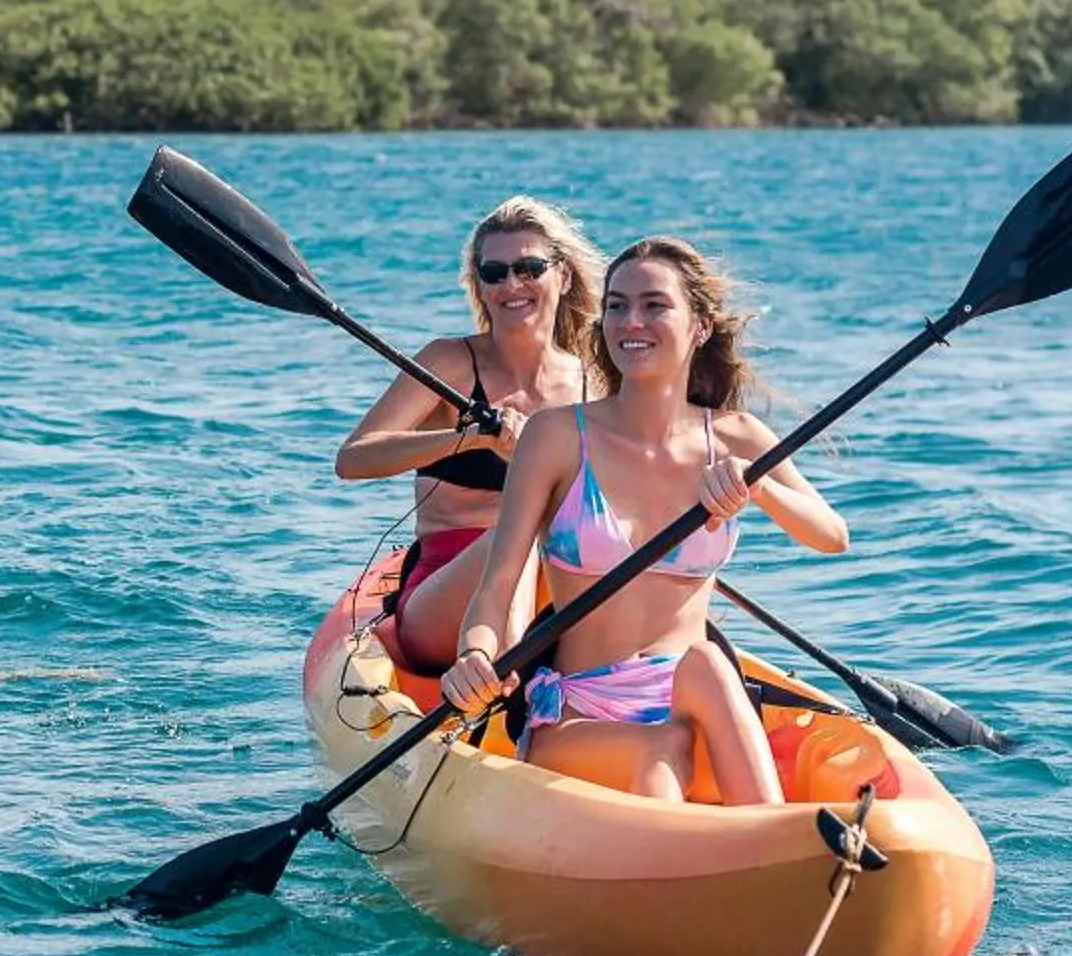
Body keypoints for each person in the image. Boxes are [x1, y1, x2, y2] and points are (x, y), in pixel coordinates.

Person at [438, 237, 848, 805]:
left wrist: (758, 485)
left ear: (699, 326)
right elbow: (498, 585)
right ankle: (736, 856)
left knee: (704, 660)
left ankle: (776, 839)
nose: (631, 321)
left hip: (693, 701)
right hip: (582, 713)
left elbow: (831, 536)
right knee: (660, 749)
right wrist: (474, 656)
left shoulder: (737, 438)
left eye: (654, 305)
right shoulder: (557, 436)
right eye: (617, 305)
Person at [334, 198, 603, 672]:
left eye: (529, 268)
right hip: (440, 604)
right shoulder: (449, 363)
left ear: (561, 276)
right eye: (494, 272)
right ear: (479, 287)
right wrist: (470, 438)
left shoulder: (594, 382)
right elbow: (353, 459)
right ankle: (497, 672)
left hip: (558, 594)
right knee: (515, 534)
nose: (512, 284)